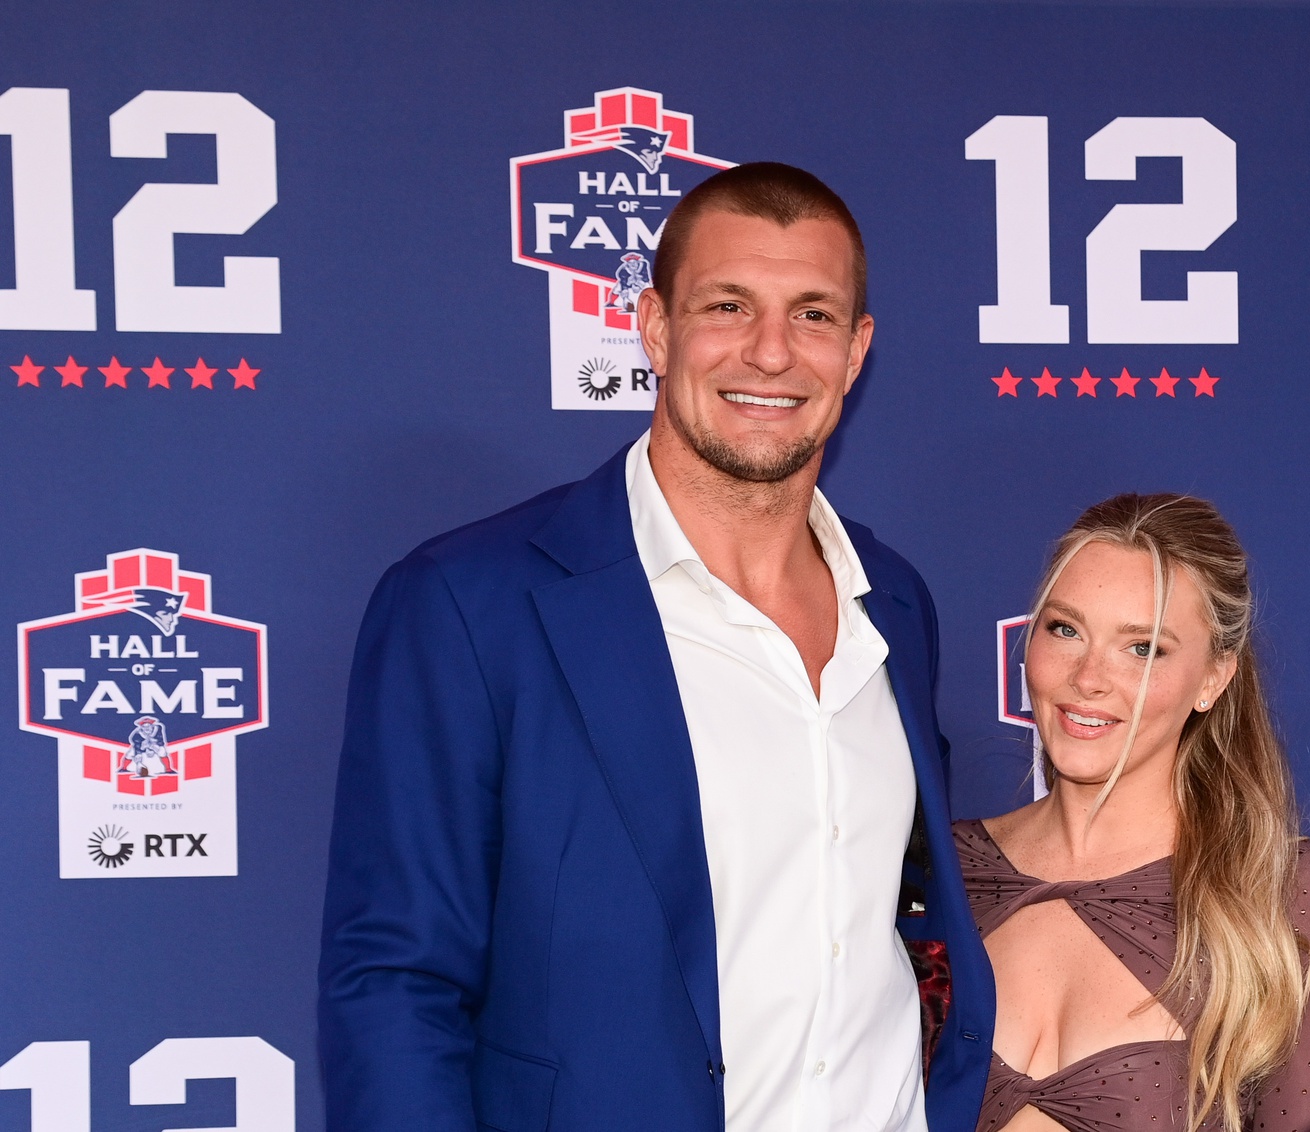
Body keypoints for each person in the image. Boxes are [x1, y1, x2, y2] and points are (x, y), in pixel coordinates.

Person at [318, 163, 993, 1132]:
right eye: (728, 306)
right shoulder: (470, 603)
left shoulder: (892, 602)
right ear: (656, 326)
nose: (771, 352)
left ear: (856, 352)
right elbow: (394, 984)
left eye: (812, 315)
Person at [955, 494, 1310, 1132]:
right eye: (1065, 629)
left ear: (1213, 679)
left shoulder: (1280, 892)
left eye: (1143, 648)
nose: (1089, 677)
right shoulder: (941, 874)